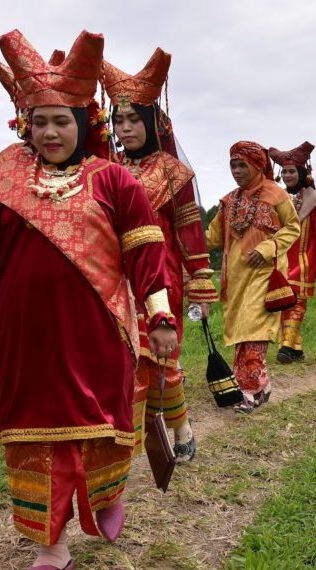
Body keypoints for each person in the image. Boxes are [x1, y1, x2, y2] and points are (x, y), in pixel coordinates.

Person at [0, 30, 177, 568]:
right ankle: (51, 541)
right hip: (24, 334)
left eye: (62, 121)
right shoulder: (5, 175)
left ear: (86, 123)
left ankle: (105, 494)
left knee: (100, 426)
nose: (50, 131)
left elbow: (146, 255)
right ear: (25, 125)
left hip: (98, 328)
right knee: (34, 436)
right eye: (40, 122)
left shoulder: (113, 181)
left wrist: (160, 316)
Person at [102, 47, 214, 463]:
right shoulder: (105, 166)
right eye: (118, 119)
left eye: (134, 119)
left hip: (160, 273)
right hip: (115, 273)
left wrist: (200, 283)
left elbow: (189, 229)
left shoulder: (172, 171)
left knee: (160, 353)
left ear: (152, 122)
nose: (125, 127)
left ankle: (181, 424)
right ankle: (128, 437)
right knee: (121, 356)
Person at [206, 141, 300, 411]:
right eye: (233, 166)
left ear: (258, 166)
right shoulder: (229, 200)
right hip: (235, 278)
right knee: (241, 332)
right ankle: (256, 386)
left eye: (242, 165)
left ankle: (250, 390)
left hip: (264, 274)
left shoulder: (276, 194)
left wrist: (269, 246)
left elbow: (293, 228)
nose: (236, 171)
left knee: (254, 328)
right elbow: (212, 236)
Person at [267, 141, 316, 364]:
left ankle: (285, 346)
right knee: (285, 300)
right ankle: (295, 347)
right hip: (282, 258)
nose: (286, 175)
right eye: (283, 171)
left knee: (297, 301)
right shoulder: (277, 199)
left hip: (305, 258)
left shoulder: (314, 201)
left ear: (302, 172)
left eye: (291, 171)